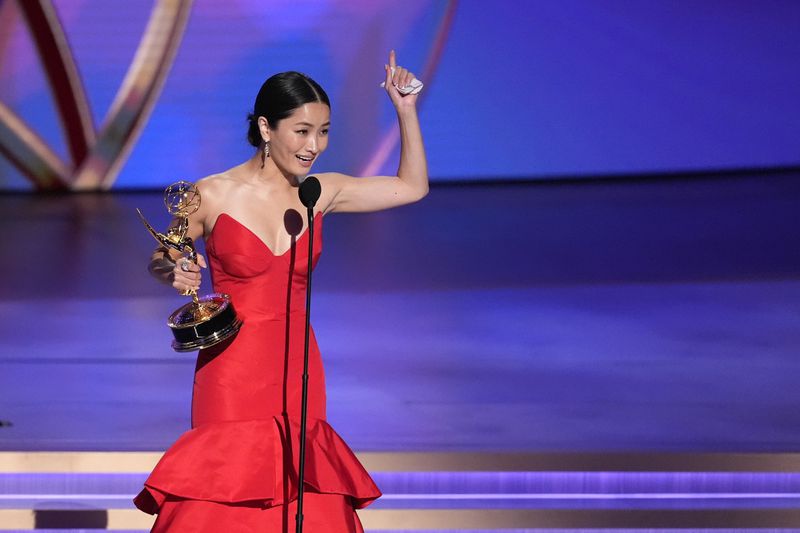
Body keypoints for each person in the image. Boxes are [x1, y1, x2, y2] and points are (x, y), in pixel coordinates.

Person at [133, 50, 428, 532]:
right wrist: (175, 271)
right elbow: (164, 254)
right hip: (231, 365)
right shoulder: (211, 193)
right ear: (267, 128)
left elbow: (410, 187)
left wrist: (405, 110)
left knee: (300, 487)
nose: (315, 145)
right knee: (224, 486)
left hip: (297, 364)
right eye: (303, 131)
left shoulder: (320, 192)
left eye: (324, 131)